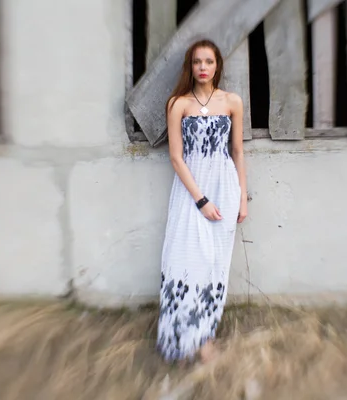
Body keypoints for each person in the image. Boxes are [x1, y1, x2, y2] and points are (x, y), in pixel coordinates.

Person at [156, 39, 248, 364]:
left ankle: (204, 337)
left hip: (224, 186)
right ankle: (183, 336)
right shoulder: (178, 104)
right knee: (187, 260)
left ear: (217, 65)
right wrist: (201, 200)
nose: (203, 67)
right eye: (197, 62)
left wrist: (242, 198)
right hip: (191, 190)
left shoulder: (232, 101)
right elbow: (176, 158)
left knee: (214, 265)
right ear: (190, 67)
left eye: (209, 61)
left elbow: (237, 151)